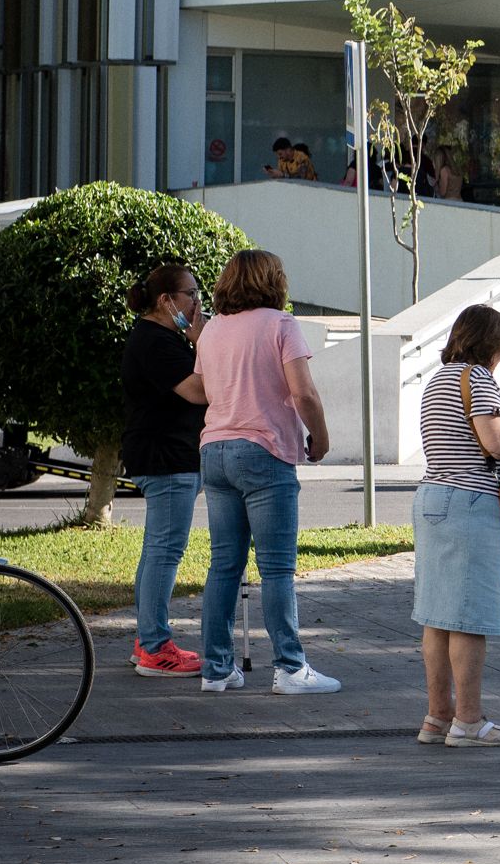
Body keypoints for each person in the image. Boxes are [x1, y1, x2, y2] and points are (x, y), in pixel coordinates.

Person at [190, 250, 340, 695]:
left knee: (224, 566)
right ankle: (291, 669)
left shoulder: (212, 329)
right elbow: (304, 393)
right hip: (264, 450)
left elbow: (203, 388)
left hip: (214, 450)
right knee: (276, 568)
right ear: (272, 280)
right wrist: (322, 438)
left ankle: (216, 670)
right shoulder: (280, 324)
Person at [412, 304, 500, 747]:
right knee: (469, 618)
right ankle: (468, 722)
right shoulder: (478, 379)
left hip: (432, 494)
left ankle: (437, 717)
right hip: (469, 501)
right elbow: (497, 442)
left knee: (437, 617)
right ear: (488, 344)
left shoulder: (438, 379)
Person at [121, 261, 208, 678]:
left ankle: (148, 640)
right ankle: (156, 647)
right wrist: (203, 343)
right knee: (165, 551)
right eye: (191, 294)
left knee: (157, 549)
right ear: (166, 300)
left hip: (165, 455)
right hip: (166, 458)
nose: (197, 303)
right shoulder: (158, 341)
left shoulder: (162, 338)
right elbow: (198, 390)